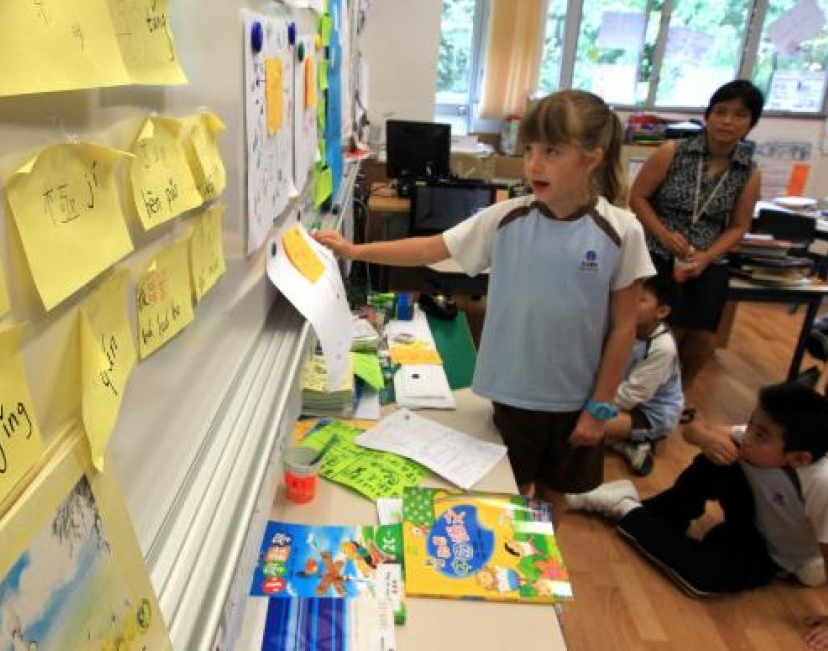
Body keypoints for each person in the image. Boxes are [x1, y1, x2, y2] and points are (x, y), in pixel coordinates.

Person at [313, 90, 655, 514]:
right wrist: (356, 250)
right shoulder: (508, 217)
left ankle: (543, 573)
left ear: (591, 159)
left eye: (551, 151)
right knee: (511, 494)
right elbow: (430, 248)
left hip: (576, 400)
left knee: (554, 498)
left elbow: (625, 326)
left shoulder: (622, 231)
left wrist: (601, 407)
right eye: (529, 150)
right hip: (511, 394)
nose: (534, 163)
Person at [566, 381, 828, 649]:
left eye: (760, 435)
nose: (747, 436)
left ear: (799, 459)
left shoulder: (821, 483)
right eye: (751, 425)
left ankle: (625, 506)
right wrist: (705, 439)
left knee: (701, 579)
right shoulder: (754, 441)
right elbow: (693, 431)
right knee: (715, 459)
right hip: (751, 517)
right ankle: (654, 511)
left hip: (770, 553)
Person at [630, 80, 764, 423]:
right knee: (663, 325)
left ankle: (679, 395)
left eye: (739, 115)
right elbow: (638, 197)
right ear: (707, 114)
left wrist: (705, 257)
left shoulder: (748, 170)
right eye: (720, 111)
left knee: (702, 335)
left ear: (751, 123)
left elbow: (738, 225)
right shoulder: (673, 152)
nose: (727, 121)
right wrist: (662, 232)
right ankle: (645, 390)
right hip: (659, 248)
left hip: (708, 257)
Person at [606, 274, 684, 476]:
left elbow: (632, 395)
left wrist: (594, 406)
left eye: (641, 300)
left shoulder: (663, 347)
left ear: (662, 311)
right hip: (622, 400)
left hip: (650, 414)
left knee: (584, 424)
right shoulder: (623, 326)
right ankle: (621, 439)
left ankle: (633, 443)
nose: (630, 303)